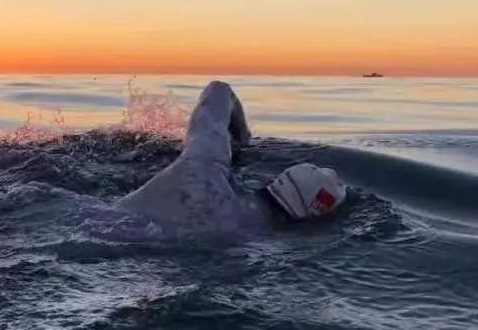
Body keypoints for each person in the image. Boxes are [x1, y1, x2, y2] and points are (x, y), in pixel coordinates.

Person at [116, 80, 347, 232]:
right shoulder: (247, 243)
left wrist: (242, 139)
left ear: (280, 179)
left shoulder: (203, 170)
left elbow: (218, 90)